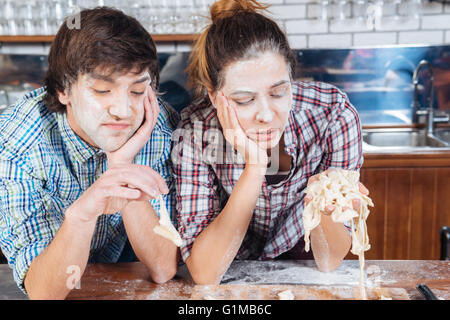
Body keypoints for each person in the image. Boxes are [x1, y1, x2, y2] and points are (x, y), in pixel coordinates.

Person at [172, 0, 370, 285]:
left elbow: (329, 261)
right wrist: (254, 166)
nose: (266, 115)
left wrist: (326, 207)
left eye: (278, 93)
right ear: (215, 96)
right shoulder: (194, 132)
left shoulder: (333, 116)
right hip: (228, 272)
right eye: (244, 100)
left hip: (304, 268)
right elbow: (204, 272)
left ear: (292, 79)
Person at [0, 7, 180, 299]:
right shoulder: (16, 141)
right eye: (101, 90)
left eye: (136, 92)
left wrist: (122, 167)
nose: (123, 111)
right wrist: (81, 216)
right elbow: (43, 292)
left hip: (123, 270)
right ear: (63, 90)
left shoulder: (157, 126)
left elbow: (162, 268)